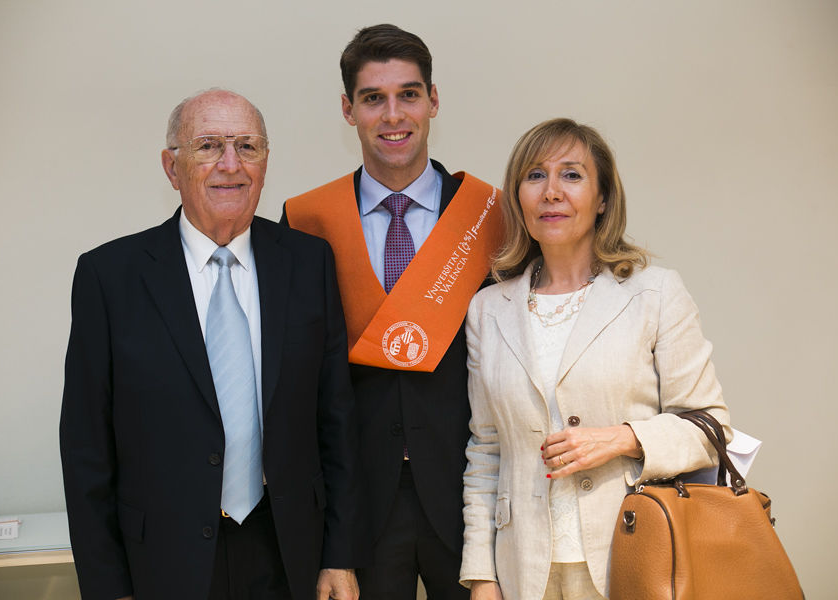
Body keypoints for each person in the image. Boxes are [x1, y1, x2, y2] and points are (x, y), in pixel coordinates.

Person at [59, 89, 360, 600]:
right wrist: (107, 586)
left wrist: (340, 556)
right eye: (207, 146)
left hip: (288, 552)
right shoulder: (110, 277)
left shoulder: (308, 264)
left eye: (247, 146)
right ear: (171, 167)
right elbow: (86, 449)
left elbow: (337, 418)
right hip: (163, 561)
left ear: (265, 163)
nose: (230, 164)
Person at [459, 118, 731, 600]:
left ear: (603, 198)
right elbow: (486, 451)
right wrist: (482, 576)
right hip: (523, 567)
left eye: (572, 174)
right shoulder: (487, 310)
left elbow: (710, 426)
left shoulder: (655, 292)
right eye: (535, 175)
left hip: (633, 556)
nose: (551, 192)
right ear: (517, 196)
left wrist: (621, 438)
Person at [282, 24, 502, 600]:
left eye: (408, 94)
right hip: (357, 503)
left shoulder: (492, 222)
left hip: (472, 495)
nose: (393, 114)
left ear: (433, 100)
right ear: (348, 110)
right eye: (372, 98)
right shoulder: (307, 223)